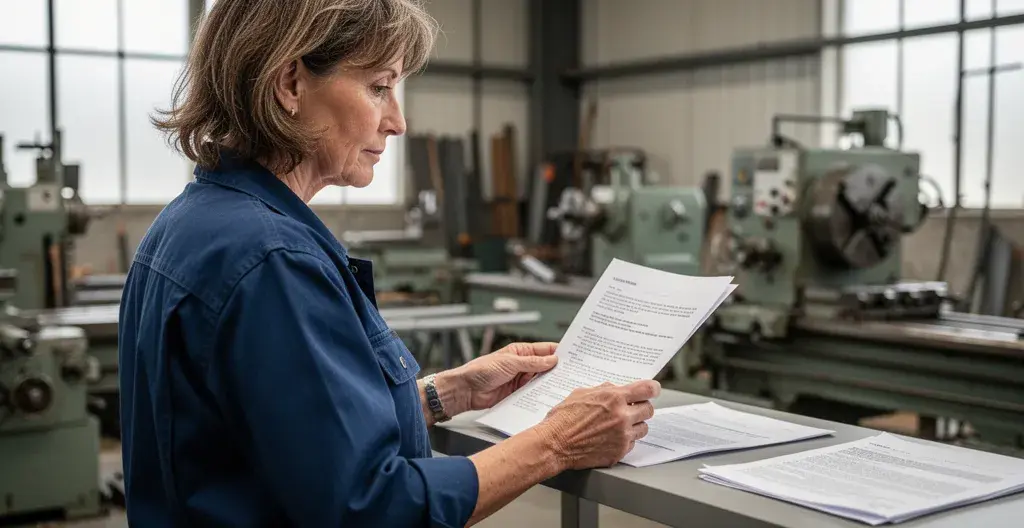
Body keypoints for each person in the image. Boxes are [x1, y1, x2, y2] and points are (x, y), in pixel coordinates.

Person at [118, 0, 658, 526]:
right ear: (290, 84)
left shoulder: (190, 224)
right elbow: (370, 507)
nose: (397, 121)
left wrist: (446, 394)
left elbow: (286, 438)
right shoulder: (272, 261)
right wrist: (557, 442)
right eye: (379, 87)